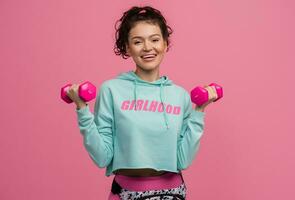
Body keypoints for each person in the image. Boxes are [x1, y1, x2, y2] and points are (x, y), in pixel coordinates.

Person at [66, 5, 218, 200]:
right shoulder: (112, 90)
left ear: (165, 43)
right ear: (127, 47)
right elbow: (102, 157)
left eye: (155, 40)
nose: (148, 48)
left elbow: (183, 160)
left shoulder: (180, 96)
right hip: (127, 192)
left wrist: (199, 111)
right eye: (138, 41)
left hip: (172, 193)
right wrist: (82, 109)